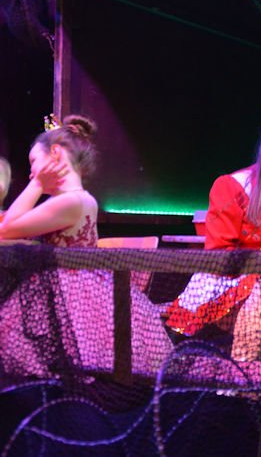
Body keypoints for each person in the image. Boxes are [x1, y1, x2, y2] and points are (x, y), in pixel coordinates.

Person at [0, 114, 171, 377]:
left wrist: (37, 184)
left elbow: (5, 229)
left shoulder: (70, 202)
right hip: (75, 286)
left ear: (55, 153)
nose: (32, 171)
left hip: (69, 293)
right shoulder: (78, 199)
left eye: (34, 162)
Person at [164, 112, 261, 361]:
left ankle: (250, 374)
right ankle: (244, 372)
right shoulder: (233, 185)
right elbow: (220, 253)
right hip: (232, 280)